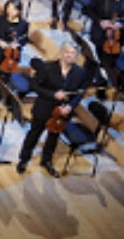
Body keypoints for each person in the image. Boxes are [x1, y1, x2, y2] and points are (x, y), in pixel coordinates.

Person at [17, 44, 86, 178]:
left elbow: (80, 93)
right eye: (67, 52)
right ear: (61, 53)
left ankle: (46, 161)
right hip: (44, 108)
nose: (69, 55)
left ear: (76, 56)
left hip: (62, 112)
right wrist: (52, 95)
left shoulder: (80, 72)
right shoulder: (47, 67)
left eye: (72, 53)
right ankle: (24, 159)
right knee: (34, 135)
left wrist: (70, 106)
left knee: (53, 138)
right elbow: (34, 85)